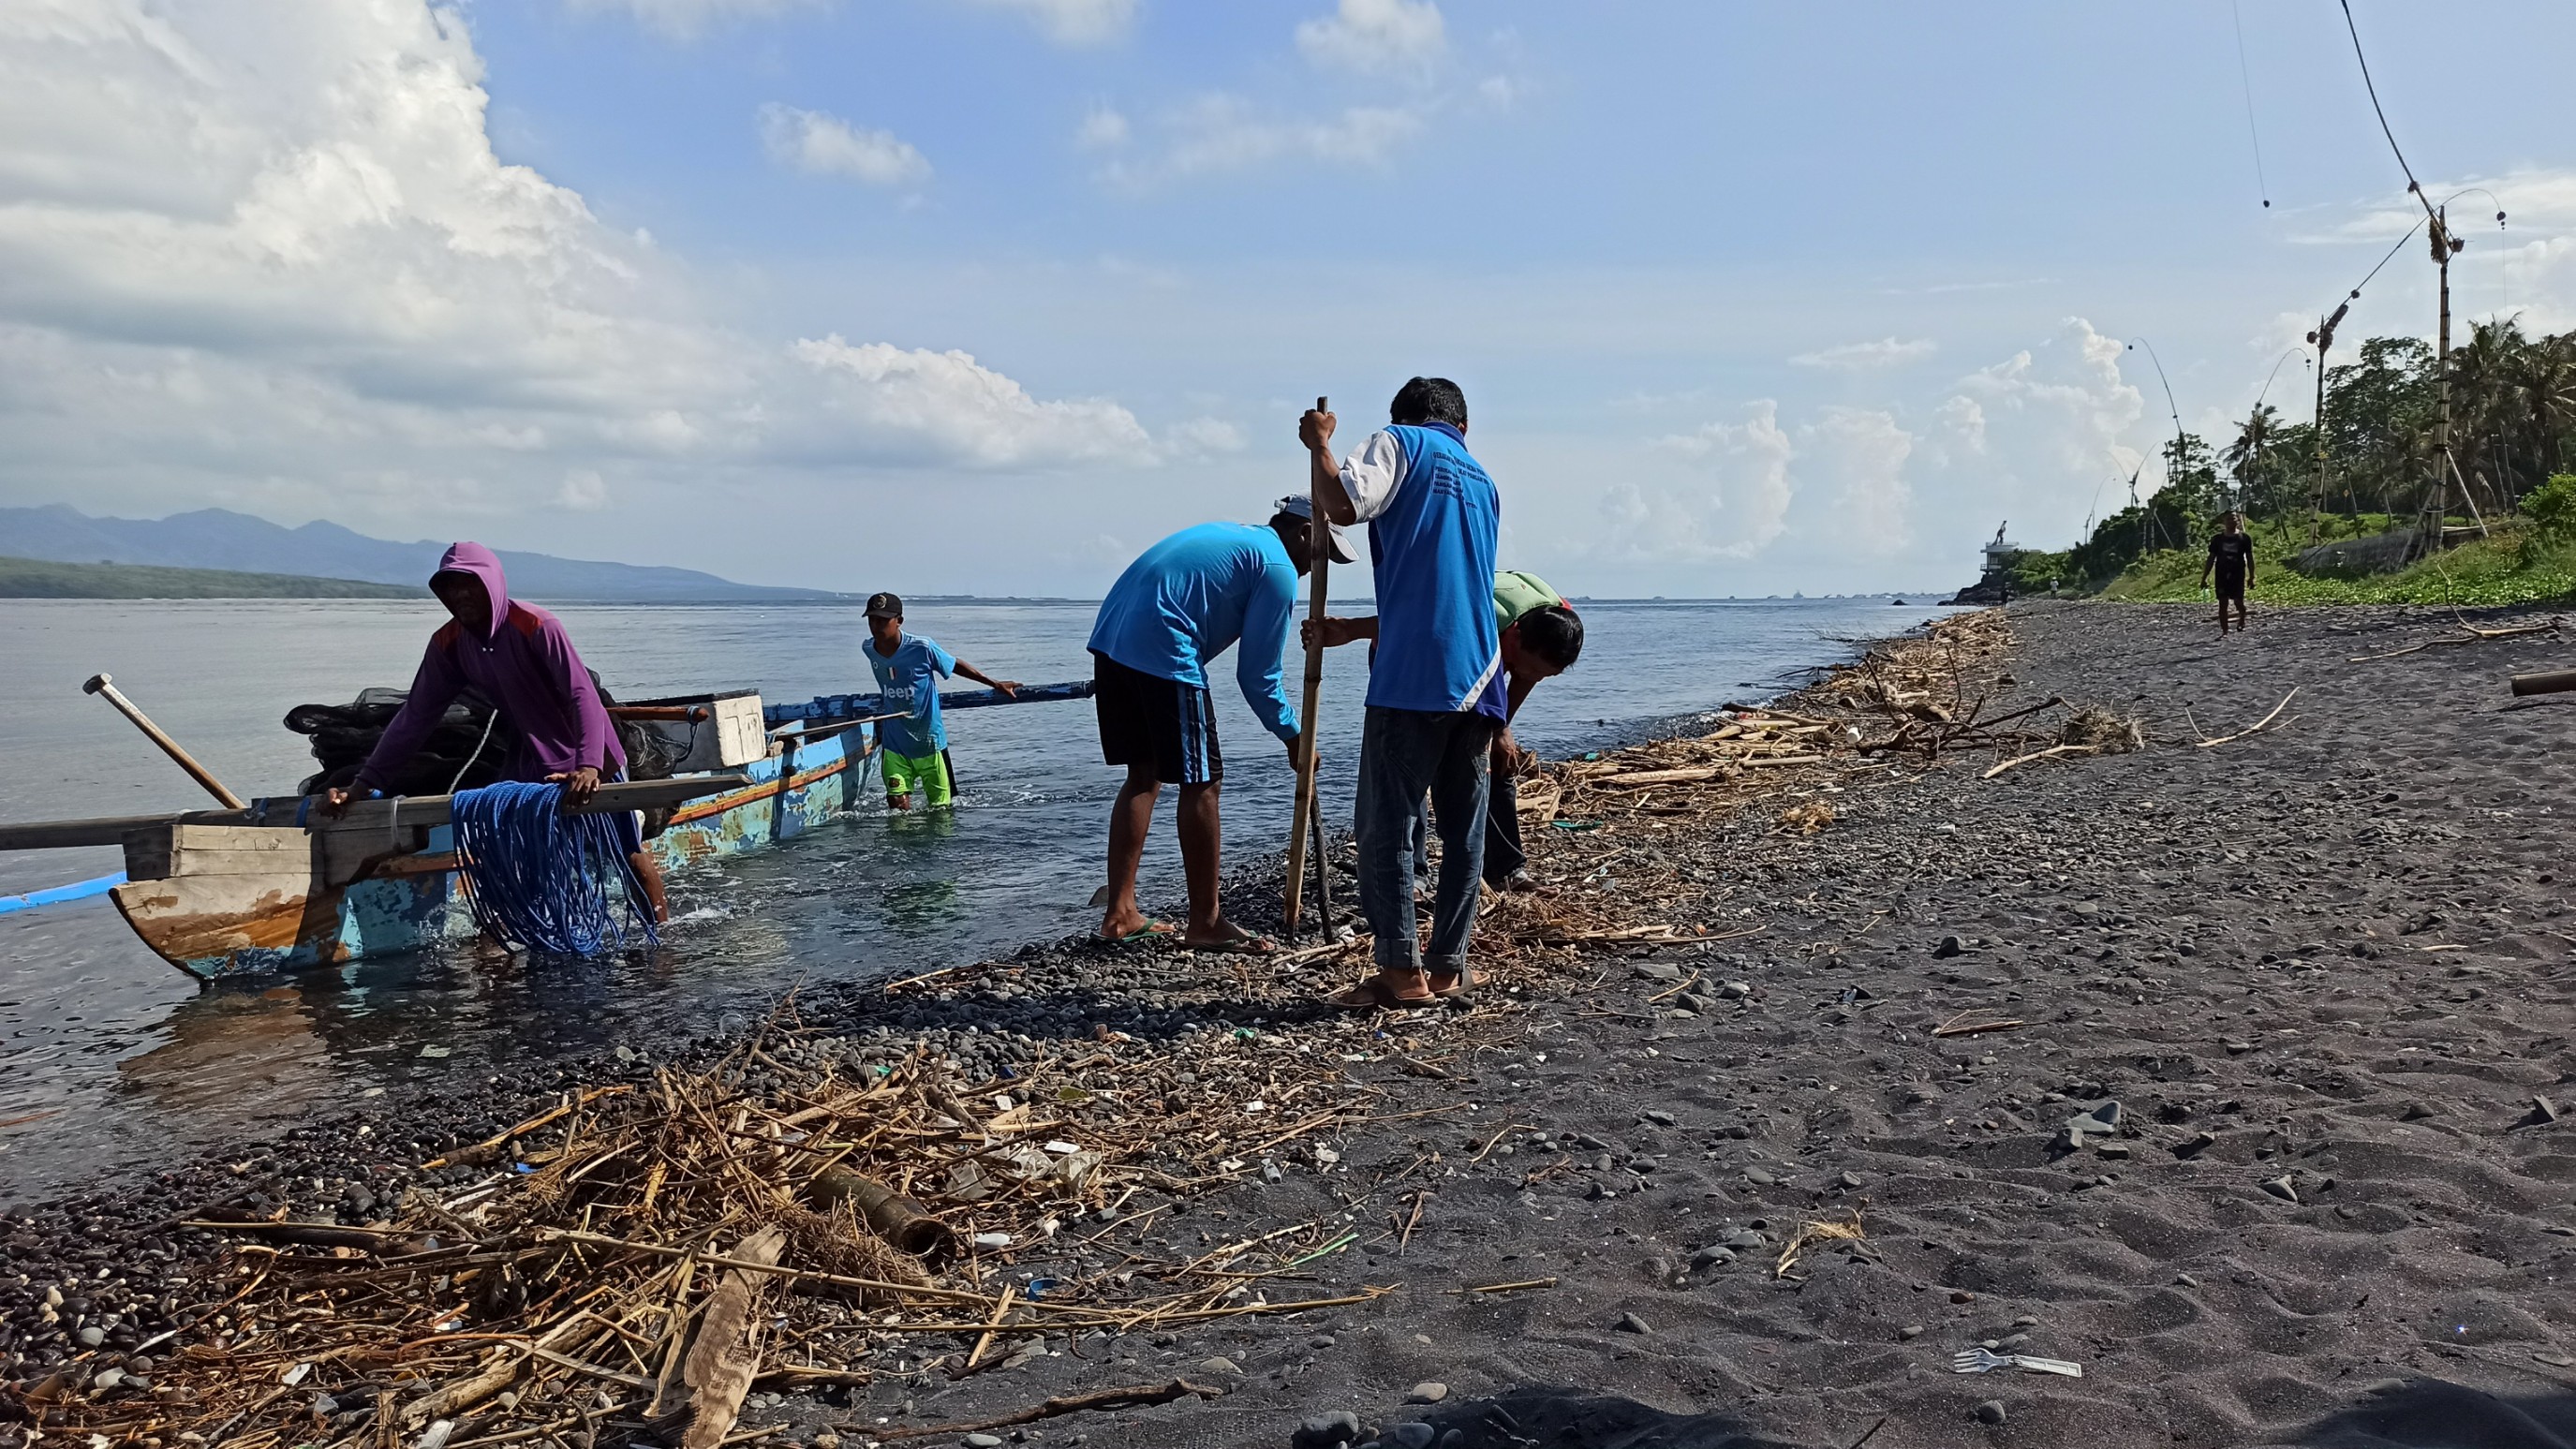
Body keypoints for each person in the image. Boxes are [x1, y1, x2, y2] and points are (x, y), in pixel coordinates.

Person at [322, 541, 668, 922]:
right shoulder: (448, 643)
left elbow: (580, 694)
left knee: (625, 850)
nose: (460, 595)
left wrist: (588, 766)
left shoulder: (536, 625)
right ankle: (507, 941)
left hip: (590, 750)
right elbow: (415, 717)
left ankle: (661, 937)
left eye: (469, 584)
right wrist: (364, 783)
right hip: (529, 753)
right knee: (505, 849)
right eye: (449, 587)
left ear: (492, 584)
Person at [1301, 377, 1503, 1009]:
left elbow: (1340, 503)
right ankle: (1446, 965)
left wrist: (1318, 445)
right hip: (1481, 671)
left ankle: (1399, 970)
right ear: (1463, 427)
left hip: (1415, 671)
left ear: (1408, 418)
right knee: (1464, 832)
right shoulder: (1483, 480)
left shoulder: (1400, 443)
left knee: (1388, 823)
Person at [1087, 497, 1355, 950]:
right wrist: (1295, 736)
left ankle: (1120, 913)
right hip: (1163, 648)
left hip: (1112, 640)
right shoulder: (1277, 568)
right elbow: (1257, 676)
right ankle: (1206, 922)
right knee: (1203, 783)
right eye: (1323, 552)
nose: (1318, 567)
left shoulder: (1240, 538)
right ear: (1305, 533)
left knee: (1145, 775)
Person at [1308, 570, 1584, 894]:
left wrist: (1500, 727)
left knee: (1494, 763)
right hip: (1406, 652)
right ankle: (1413, 874)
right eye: (1532, 667)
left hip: (1476, 658)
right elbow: (1411, 621)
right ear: (1515, 636)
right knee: (1414, 765)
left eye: (1545, 674)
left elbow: (1526, 675)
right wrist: (1350, 629)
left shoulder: (1557, 626)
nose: (1533, 676)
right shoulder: (1478, 615)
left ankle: (1506, 870)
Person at [862, 592, 1020, 810]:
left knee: (941, 811)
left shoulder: (922, 647)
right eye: (872, 620)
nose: (876, 626)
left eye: (883, 620)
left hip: (930, 745)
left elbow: (954, 664)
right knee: (897, 809)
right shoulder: (869, 649)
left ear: (899, 621)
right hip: (895, 745)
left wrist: (994, 683)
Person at [2200, 511, 2256, 634]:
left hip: (2238, 574)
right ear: (2224, 522)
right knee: (2223, 602)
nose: (2231, 521)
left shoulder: (2244, 538)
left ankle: (2242, 617)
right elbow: (2211, 558)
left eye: (2233, 519)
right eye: (2228, 519)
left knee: (2238, 601)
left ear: (2238, 521)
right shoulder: (2217, 539)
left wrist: (2252, 576)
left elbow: (2250, 558)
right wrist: (2204, 577)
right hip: (2221, 574)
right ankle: (2225, 631)